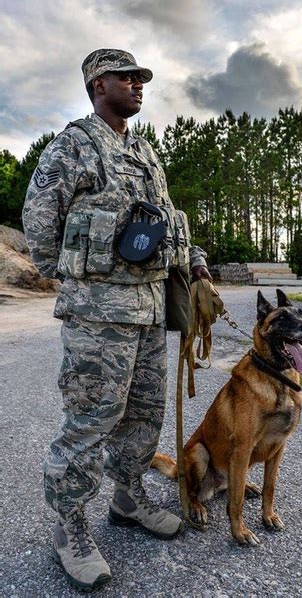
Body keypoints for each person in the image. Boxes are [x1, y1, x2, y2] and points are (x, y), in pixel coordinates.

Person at [22, 48, 211, 591]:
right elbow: (41, 223)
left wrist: (194, 264)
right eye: (126, 77)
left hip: (151, 308)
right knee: (90, 421)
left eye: (140, 79)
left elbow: (167, 216)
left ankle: (128, 497)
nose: (137, 85)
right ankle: (71, 526)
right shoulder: (74, 146)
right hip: (99, 315)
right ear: (97, 83)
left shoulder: (145, 150)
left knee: (144, 413)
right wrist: (78, 279)